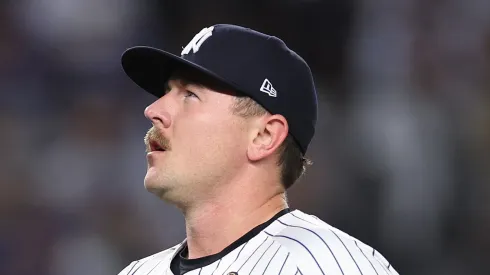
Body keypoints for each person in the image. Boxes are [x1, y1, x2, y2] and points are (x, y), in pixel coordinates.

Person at [118, 24, 398, 275]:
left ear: (264, 136)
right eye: (166, 92)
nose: (153, 110)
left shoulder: (328, 265)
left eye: (190, 94)